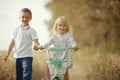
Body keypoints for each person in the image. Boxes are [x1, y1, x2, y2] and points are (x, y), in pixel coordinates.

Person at [4, 8, 40, 80]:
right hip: (17, 57)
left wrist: (37, 47)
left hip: (27, 56)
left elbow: (36, 42)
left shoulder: (32, 30)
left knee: (27, 74)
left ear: (30, 18)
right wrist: (7, 54)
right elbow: (12, 43)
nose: (25, 19)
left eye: (27, 17)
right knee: (18, 77)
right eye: (23, 17)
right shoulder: (16, 30)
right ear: (19, 17)